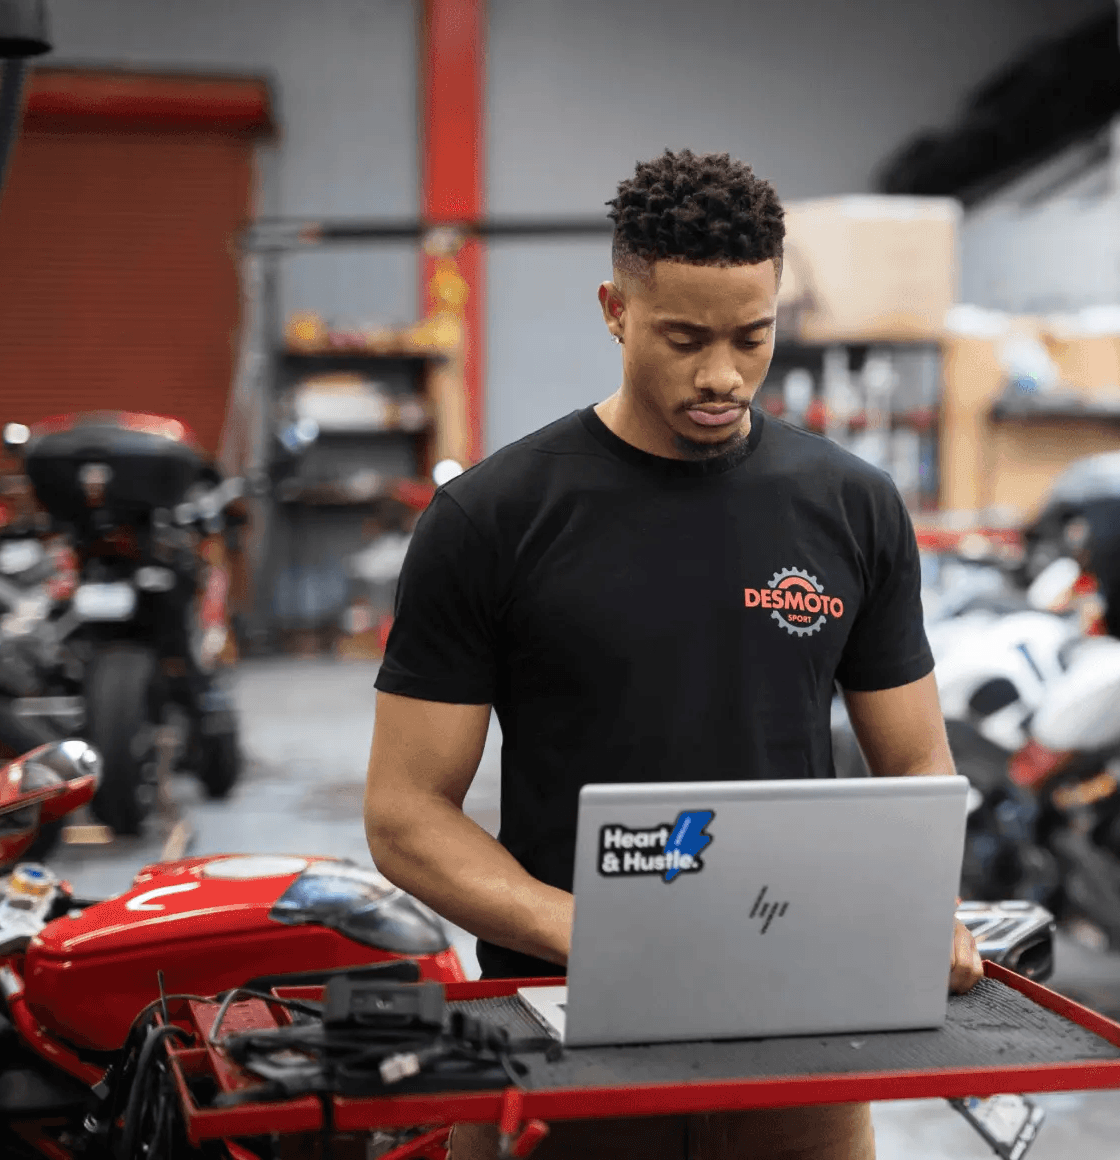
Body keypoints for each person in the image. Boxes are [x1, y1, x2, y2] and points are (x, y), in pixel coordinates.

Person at [363, 149, 983, 1160]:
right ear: (615, 308)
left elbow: (915, 761)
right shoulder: (491, 517)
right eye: (684, 337)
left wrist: (925, 905)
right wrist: (593, 934)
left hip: (798, 1038)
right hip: (557, 1036)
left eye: (753, 336)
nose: (721, 375)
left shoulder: (850, 506)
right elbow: (404, 811)